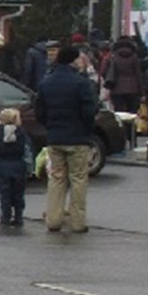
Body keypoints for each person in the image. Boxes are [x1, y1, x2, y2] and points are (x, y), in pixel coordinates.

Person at [35, 45, 98, 233]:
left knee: (56, 179)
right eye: (79, 59)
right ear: (73, 60)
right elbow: (89, 111)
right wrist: (87, 129)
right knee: (78, 179)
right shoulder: (80, 83)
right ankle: (77, 222)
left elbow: (40, 111)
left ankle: (53, 220)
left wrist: (51, 126)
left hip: (55, 137)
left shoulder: (46, 82)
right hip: (78, 138)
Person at [0, 107, 33, 227]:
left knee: (4, 193)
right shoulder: (22, 135)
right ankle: (18, 217)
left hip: (3, 166)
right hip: (18, 166)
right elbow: (27, 153)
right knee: (18, 193)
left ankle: (5, 217)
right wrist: (29, 168)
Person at [102, 36, 147, 114]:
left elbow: (106, 71)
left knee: (120, 114)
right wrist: (143, 93)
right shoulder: (134, 56)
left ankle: (122, 126)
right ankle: (130, 126)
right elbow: (138, 75)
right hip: (133, 89)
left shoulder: (114, 56)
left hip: (117, 89)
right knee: (132, 114)